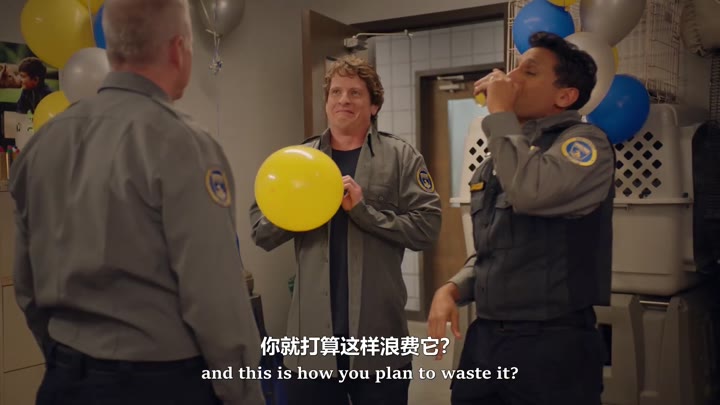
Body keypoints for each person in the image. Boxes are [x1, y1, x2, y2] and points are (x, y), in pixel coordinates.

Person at [9, 1, 264, 404]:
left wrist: (67, 358)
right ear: (179, 49)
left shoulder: (45, 142)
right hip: (161, 383)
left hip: (65, 380)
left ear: (113, 49)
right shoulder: (184, 145)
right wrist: (244, 394)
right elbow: (216, 301)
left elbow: (25, 284)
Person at [428, 31, 614, 405]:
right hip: (486, 340)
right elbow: (493, 250)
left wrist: (500, 115)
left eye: (528, 72)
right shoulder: (496, 159)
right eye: (514, 69)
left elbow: (530, 192)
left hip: (552, 346)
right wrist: (452, 287)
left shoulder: (585, 144)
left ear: (565, 96)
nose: (509, 78)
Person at [249, 55, 442, 405]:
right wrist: (299, 207)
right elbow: (261, 234)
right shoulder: (297, 161)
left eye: (355, 93)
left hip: (378, 338)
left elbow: (427, 228)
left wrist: (364, 213)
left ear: (374, 105)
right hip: (310, 344)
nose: (343, 100)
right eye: (336, 92)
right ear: (326, 103)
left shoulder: (402, 157)